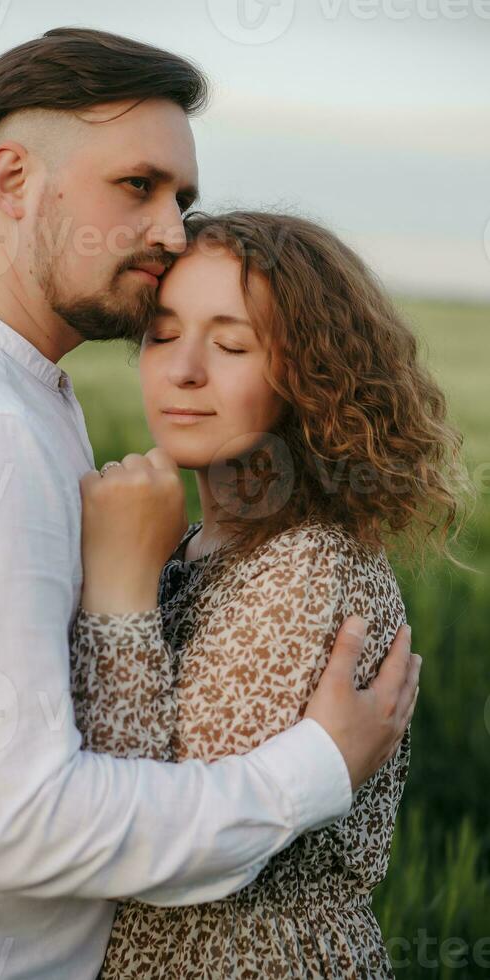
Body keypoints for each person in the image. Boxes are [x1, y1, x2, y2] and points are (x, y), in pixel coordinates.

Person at [0, 30, 419, 980]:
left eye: (180, 199)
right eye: (137, 186)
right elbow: (23, 826)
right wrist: (315, 769)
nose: (171, 231)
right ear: (15, 178)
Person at [71, 210, 466, 978]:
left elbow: (146, 842)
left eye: (230, 343)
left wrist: (119, 591)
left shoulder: (308, 566)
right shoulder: (197, 543)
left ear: (310, 377)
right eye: (162, 333)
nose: (183, 369)